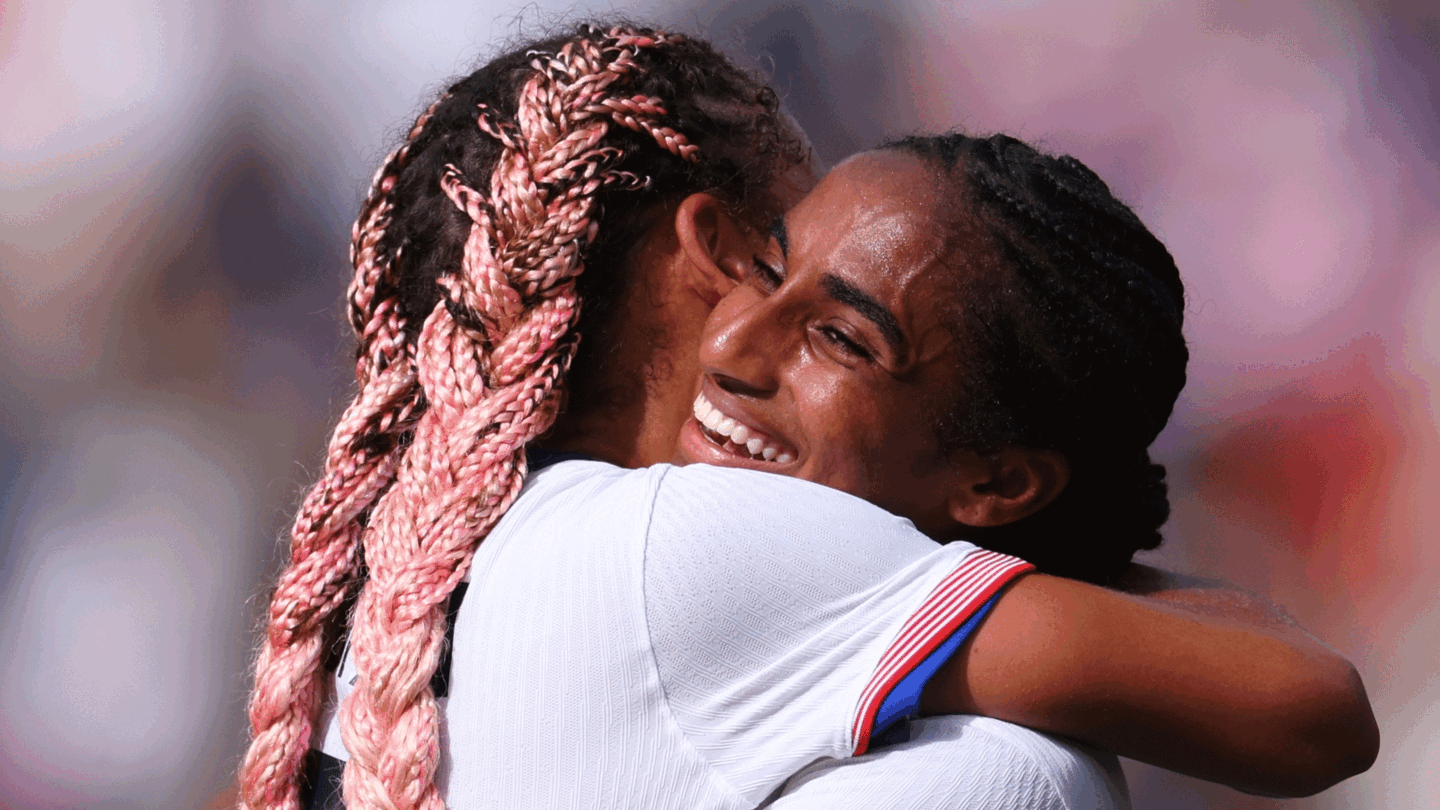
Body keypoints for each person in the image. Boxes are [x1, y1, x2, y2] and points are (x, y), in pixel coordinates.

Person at [235, 23, 1376, 810]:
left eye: (838, 334)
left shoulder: (436, 566)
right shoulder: (688, 543)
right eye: (767, 265)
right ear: (705, 243)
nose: (740, 347)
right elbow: (1304, 708)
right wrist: (1007, 550)